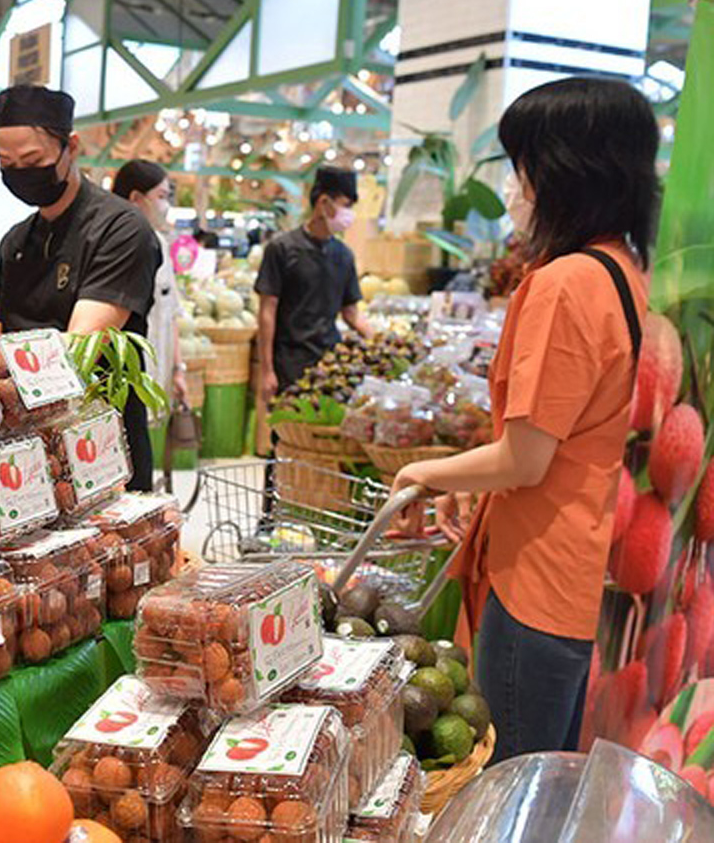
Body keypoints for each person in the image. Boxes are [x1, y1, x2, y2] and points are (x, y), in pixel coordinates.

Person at [392, 77, 657, 761]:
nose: (516, 187)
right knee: (552, 777)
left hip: (535, 576)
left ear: (565, 171)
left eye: (522, 166)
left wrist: (424, 467)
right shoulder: (624, 269)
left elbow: (526, 457)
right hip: (577, 564)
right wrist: (470, 482)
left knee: (512, 779)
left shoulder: (566, 282)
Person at [0, 84, 160, 491]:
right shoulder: (16, 241)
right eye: (6, 162)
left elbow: (83, 347)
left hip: (100, 440)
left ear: (72, 147)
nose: (21, 172)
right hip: (27, 443)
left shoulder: (120, 229)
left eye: (33, 160)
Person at [255, 166, 373, 400]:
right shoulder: (282, 249)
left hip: (330, 364)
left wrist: (381, 342)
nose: (349, 213)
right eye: (345, 205)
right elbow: (267, 310)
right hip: (289, 362)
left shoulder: (344, 256)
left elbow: (351, 313)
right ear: (323, 202)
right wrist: (267, 370)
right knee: (288, 431)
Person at [113, 159, 187, 410]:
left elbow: (171, 313)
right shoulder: (109, 246)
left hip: (156, 374)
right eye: (161, 196)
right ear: (136, 198)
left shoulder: (160, 245)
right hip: (121, 382)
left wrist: (178, 369)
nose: (166, 206)